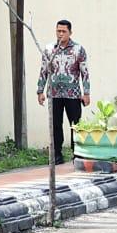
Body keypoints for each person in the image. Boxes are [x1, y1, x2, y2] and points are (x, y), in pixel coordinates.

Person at [38, 19, 89, 163]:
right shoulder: (49, 49)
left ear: (70, 32)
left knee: (75, 124)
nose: (60, 34)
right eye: (58, 31)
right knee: (55, 124)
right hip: (54, 94)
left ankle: (78, 153)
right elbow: (43, 71)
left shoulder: (78, 50)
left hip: (73, 94)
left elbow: (85, 72)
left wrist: (86, 93)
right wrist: (40, 91)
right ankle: (57, 154)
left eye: (63, 31)